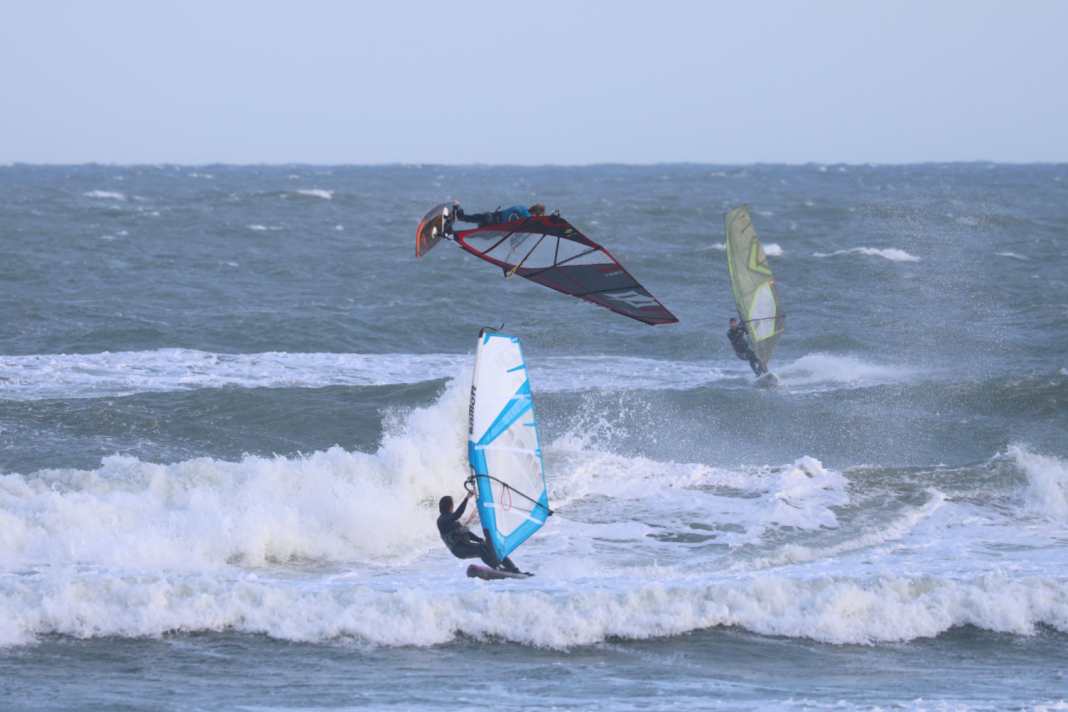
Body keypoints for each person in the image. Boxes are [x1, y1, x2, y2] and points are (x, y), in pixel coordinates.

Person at [436, 490, 522, 573]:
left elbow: (467, 534)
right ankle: (497, 568)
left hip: (466, 545)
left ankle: (514, 569)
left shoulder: (452, 521)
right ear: (450, 506)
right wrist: (467, 498)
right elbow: (458, 514)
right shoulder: (442, 520)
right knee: (480, 549)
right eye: (452, 505)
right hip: (459, 550)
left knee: (492, 547)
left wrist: (480, 540)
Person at [452, 202, 546, 228]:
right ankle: (457, 213)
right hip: (491, 223)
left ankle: (457, 210)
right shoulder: (527, 217)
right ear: (536, 213)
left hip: (491, 216)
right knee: (475, 237)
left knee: (470, 218)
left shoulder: (523, 207)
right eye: (538, 215)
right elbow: (533, 223)